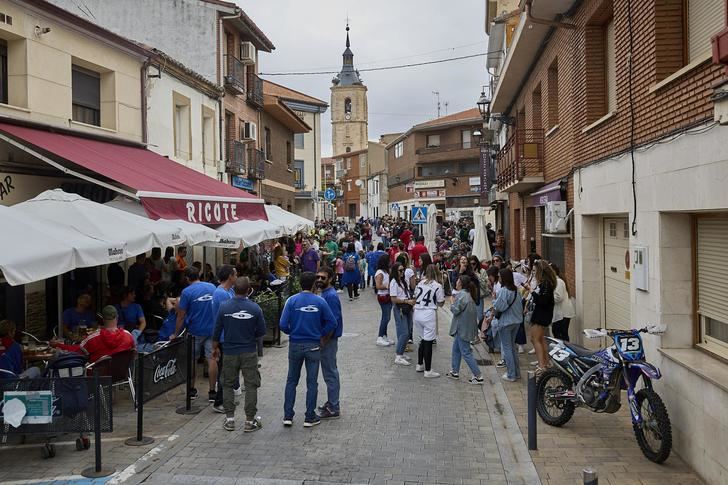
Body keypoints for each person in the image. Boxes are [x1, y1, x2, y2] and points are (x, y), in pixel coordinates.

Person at [279, 272, 337, 428]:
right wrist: (320, 334)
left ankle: (288, 415)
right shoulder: (320, 301)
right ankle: (309, 416)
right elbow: (332, 322)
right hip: (313, 345)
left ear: (299, 284)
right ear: (313, 285)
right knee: (312, 382)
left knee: (291, 380)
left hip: (295, 345)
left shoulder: (291, 301)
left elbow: (283, 324)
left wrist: (294, 332)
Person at [212, 277, 266, 433]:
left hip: (229, 351)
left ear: (233, 289)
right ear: (249, 290)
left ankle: (230, 420)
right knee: (251, 385)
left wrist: (214, 348)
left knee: (227, 384)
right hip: (249, 351)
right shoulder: (255, 308)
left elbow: (216, 331)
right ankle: (250, 421)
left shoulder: (224, 307)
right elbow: (261, 332)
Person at [174, 267, 217, 402]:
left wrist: (175, 334)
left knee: (192, 359)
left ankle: (191, 390)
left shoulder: (186, 292)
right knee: (212, 359)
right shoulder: (212, 287)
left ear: (187, 278)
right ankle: (212, 392)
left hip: (195, 331)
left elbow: (181, 316)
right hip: (211, 330)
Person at [51, 306, 135, 363]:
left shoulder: (93, 338)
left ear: (102, 319)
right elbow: (133, 351)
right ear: (117, 317)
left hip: (97, 377)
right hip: (121, 375)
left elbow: (77, 350)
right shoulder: (128, 336)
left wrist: (58, 345)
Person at [211, 265, 242, 412]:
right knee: (225, 370)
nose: (237, 277)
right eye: (235, 274)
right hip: (225, 337)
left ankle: (226, 398)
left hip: (229, 336)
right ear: (230, 276)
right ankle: (219, 402)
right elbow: (227, 316)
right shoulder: (221, 294)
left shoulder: (228, 291)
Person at [316, 266, 343, 419]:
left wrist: (324, 340)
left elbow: (332, 322)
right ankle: (332, 402)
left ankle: (333, 406)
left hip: (329, 340)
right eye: (317, 277)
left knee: (330, 372)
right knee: (329, 371)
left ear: (331, 279)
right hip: (327, 339)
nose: (319, 280)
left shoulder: (330, 296)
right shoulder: (326, 294)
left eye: (323, 278)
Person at [446, 275, 484, 384]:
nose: (456, 282)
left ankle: (478, 375)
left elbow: (456, 310)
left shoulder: (462, 295)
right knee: (456, 349)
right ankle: (455, 371)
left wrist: (452, 302)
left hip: (461, 328)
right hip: (463, 328)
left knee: (466, 352)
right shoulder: (468, 294)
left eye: (457, 281)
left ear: (461, 283)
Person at [492, 269, 524, 382]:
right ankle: (517, 373)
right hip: (516, 321)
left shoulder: (504, 291)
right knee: (512, 347)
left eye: (500, 276)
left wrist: (494, 299)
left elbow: (499, 307)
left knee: (507, 348)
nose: (498, 278)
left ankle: (511, 374)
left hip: (506, 322)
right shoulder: (516, 290)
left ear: (504, 278)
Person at [413, 264, 445, 377]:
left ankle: (420, 364)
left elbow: (415, 296)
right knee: (428, 342)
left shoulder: (420, 283)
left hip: (417, 312)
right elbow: (441, 302)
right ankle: (428, 370)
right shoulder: (437, 285)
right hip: (428, 314)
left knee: (423, 339)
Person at [526, 260, 556, 375]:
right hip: (541, 313)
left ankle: (542, 365)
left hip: (542, 314)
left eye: (534, 271)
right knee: (540, 338)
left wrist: (531, 291)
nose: (533, 273)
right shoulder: (545, 283)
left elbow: (543, 301)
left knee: (535, 339)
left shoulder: (546, 284)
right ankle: (546, 362)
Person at [389, 262, 414, 366]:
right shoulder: (394, 282)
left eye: (403, 270)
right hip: (400, 309)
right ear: (395, 271)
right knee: (404, 332)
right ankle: (398, 355)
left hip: (407, 308)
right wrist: (406, 301)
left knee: (408, 331)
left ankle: (401, 352)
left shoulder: (403, 281)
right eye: (400, 270)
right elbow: (393, 299)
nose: (402, 272)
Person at [550, 264, 575, 341]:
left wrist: (546, 298)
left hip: (563, 313)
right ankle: (564, 351)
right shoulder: (556, 281)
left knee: (560, 334)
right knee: (560, 333)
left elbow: (558, 297)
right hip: (561, 313)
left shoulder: (559, 282)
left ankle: (566, 351)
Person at [374, 254, 394, 347]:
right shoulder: (380, 273)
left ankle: (384, 335)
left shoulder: (386, 271)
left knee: (386, 317)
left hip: (388, 295)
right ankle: (380, 336)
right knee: (386, 317)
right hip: (383, 296)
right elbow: (378, 286)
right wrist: (387, 286)